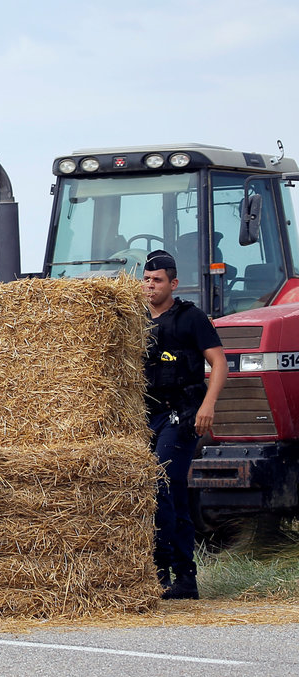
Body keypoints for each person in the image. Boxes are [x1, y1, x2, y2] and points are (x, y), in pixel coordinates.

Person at [142, 250, 227, 600]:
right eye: (146, 280)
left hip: (182, 413)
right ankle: (154, 572)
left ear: (173, 283)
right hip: (146, 415)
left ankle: (182, 576)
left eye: (157, 280)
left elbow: (219, 364)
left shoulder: (191, 317)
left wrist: (208, 405)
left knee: (166, 484)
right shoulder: (134, 319)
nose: (150, 286)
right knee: (145, 490)